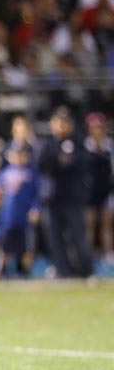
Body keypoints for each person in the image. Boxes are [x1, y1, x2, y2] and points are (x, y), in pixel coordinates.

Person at [37, 107, 95, 279]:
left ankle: (87, 270)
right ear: (52, 124)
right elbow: (42, 164)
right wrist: (61, 163)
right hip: (52, 198)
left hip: (73, 198)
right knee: (54, 238)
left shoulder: (79, 143)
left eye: (65, 122)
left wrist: (63, 164)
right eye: (58, 122)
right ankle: (61, 270)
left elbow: (82, 164)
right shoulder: (47, 144)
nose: (61, 126)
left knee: (79, 236)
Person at [0, 142, 40, 278]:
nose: (18, 157)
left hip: (25, 218)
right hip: (7, 218)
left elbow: (37, 194)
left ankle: (23, 270)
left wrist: (35, 209)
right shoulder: (4, 173)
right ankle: (2, 270)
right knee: (4, 246)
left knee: (26, 247)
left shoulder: (32, 173)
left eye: (22, 154)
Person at [81, 113, 113, 266]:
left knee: (107, 225)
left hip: (107, 190)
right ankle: (88, 256)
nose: (97, 130)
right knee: (90, 224)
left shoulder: (110, 146)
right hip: (89, 191)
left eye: (99, 127)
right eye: (94, 127)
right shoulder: (85, 146)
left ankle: (108, 255)